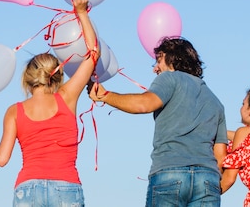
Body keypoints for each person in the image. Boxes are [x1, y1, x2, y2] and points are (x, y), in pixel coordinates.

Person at [0, 0, 99, 207]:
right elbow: (93, 52)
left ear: (27, 78)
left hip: (27, 189)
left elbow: (1, 159)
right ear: (56, 75)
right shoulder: (67, 97)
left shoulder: (14, 112)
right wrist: (82, 13)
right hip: (66, 187)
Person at [88, 36, 228, 207]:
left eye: (158, 61)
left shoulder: (170, 78)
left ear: (173, 59)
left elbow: (143, 104)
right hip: (208, 179)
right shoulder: (216, 102)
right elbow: (220, 157)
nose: (155, 69)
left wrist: (105, 95)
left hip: (170, 173)